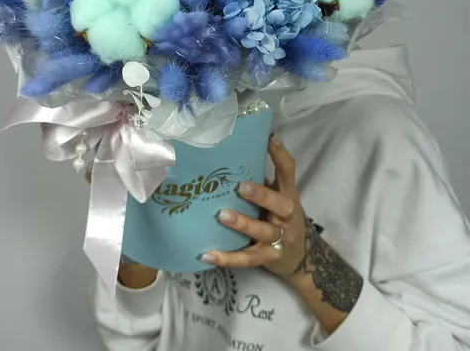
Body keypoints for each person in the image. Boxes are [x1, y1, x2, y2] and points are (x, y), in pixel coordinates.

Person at [91, 46, 470, 350]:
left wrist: (307, 262)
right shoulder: (169, 109)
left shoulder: (381, 138)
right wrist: (139, 223)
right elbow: (132, 338)